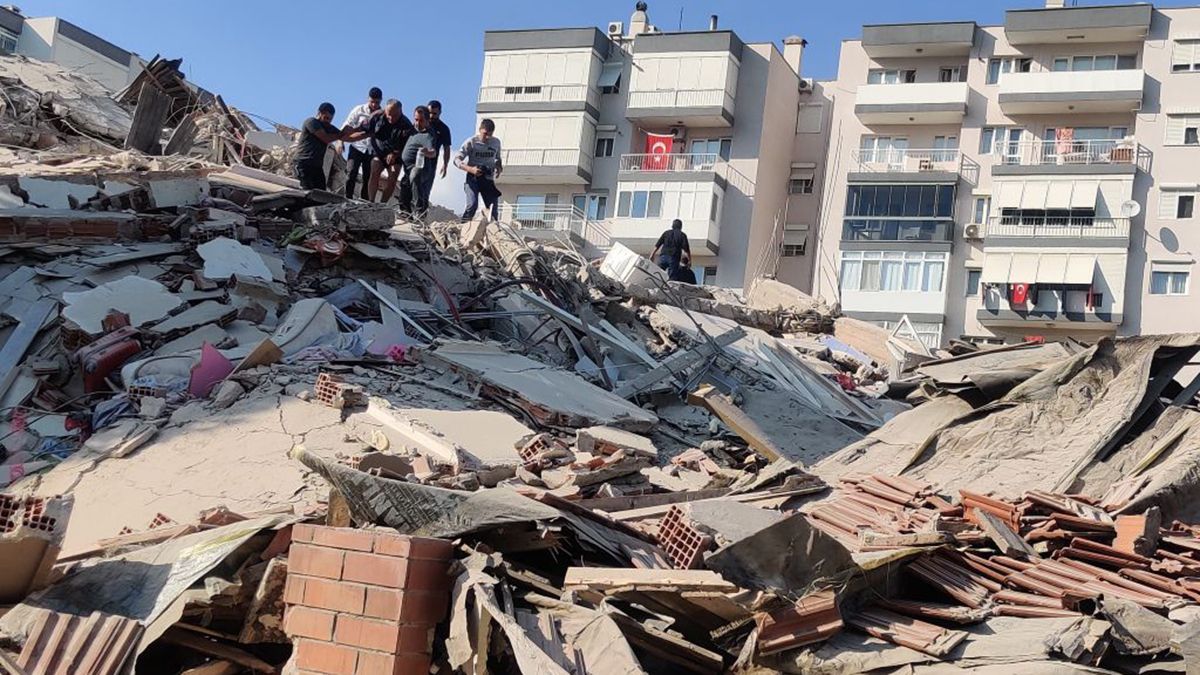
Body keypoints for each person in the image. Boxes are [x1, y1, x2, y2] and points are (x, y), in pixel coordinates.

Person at [294, 102, 355, 190]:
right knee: (306, 192)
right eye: (325, 118)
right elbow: (325, 138)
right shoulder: (311, 122)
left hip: (316, 167)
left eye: (330, 119)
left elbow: (349, 138)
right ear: (319, 113)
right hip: (303, 163)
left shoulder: (329, 127)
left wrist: (363, 131)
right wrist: (342, 134)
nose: (327, 121)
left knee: (321, 194)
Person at [363, 99, 414, 203]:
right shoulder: (376, 116)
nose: (391, 118)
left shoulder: (406, 125)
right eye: (389, 114)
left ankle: (383, 203)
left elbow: (408, 147)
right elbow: (364, 129)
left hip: (396, 155)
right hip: (379, 151)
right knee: (374, 171)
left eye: (394, 115)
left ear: (400, 112)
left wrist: (395, 154)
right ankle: (371, 201)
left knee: (393, 177)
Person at [455, 119, 503, 222]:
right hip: (473, 178)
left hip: (488, 179)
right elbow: (456, 160)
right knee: (472, 205)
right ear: (480, 130)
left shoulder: (496, 142)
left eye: (490, 135)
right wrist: (470, 169)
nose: (487, 138)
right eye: (485, 134)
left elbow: (498, 158)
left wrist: (499, 167)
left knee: (493, 210)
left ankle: (494, 232)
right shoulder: (471, 142)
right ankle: (463, 228)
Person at [398, 105, 439, 219]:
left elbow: (433, 152)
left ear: (427, 120)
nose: (417, 123)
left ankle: (419, 211)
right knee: (405, 186)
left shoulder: (429, 135)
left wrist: (427, 152)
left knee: (415, 176)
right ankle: (405, 213)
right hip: (407, 168)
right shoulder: (411, 130)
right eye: (416, 119)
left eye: (421, 120)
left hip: (420, 167)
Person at [341, 87, 382, 199]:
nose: (374, 104)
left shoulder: (382, 115)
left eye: (377, 102)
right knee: (351, 173)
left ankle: (364, 203)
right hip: (357, 147)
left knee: (368, 178)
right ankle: (347, 198)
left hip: (372, 151)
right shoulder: (359, 110)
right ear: (368, 99)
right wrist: (341, 141)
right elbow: (347, 124)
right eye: (372, 101)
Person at [427, 100, 452, 179]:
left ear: (440, 112)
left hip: (431, 163)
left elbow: (446, 148)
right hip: (417, 159)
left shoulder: (444, 129)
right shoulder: (420, 123)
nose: (431, 116)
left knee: (425, 188)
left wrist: (445, 165)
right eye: (429, 113)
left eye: (434, 114)